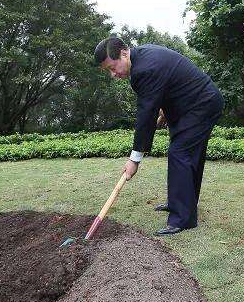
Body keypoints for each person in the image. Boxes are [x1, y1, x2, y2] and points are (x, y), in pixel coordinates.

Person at [94, 36, 224, 235]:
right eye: (108, 71)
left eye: (112, 68)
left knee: (180, 153)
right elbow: (163, 88)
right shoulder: (141, 58)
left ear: (123, 53)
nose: (113, 74)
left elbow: (146, 115)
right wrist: (163, 111)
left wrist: (135, 159)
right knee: (186, 155)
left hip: (202, 104)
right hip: (190, 106)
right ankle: (180, 204)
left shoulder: (144, 69)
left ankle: (183, 219)